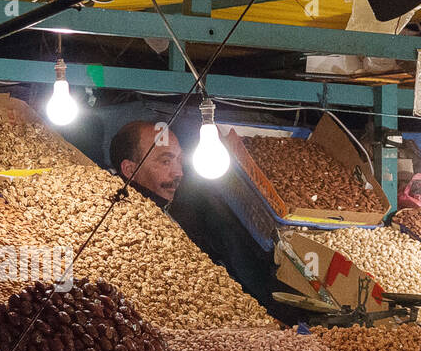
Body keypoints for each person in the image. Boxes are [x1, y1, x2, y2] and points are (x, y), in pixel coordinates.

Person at [108, 119, 294, 321]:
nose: (178, 172)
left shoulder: (180, 210)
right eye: (165, 161)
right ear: (129, 169)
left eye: (179, 160)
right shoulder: (114, 219)